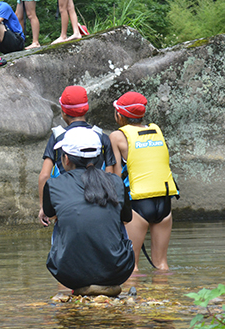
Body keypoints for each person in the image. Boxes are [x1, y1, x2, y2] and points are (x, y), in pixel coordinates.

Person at [43, 127, 135, 293]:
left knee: (59, 221)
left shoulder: (54, 184)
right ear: (100, 158)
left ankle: (78, 283)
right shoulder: (116, 182)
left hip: (69, 275)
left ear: (65, 159)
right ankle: (105, 280)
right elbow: (127, 219)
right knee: (117, 218)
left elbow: (50, 214)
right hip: (118, 272)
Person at [109, 91, 179, 272]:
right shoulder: (156, 130)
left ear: (119, 115)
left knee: (132, 266)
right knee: (161, 264)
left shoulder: (117, 136)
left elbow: (115, 176)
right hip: (164, 202)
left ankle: (135, 301)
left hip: (137, 204)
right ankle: (164, 298)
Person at [38, 86, 116, 226]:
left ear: (63, 112)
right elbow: (110, 175)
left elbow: (44, 175)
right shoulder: (101, 137)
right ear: (86, 109)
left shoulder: (58, 137)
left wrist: (44, 207)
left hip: (66, 206)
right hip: (99, 207)